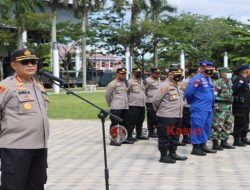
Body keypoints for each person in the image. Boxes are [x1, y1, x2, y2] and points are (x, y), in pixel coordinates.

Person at [0, 49, 49, 190]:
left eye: (33, 61)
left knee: (36, 186)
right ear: (14, 65)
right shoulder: (6, 86)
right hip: (15, 148)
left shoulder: (39, 86)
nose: (30, 65)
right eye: (25, 62)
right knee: (13, 186)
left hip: (40, 147)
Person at [152, 66, 188, 163]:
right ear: (170, 74)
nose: (179, 76)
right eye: (176, 74)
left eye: (180, 74)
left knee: (175, 136)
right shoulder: (164, 85)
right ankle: (163, 156)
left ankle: (173, 153)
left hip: (178, 115)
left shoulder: (177, 85)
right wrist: (160, 111)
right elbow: (155, 100)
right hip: (166, 116)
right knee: (165, 136)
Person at [185, 60, 217, 156]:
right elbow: (188, 93)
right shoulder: (197, 78)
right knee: (197, 126)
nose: (211, 70)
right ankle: (195, 148)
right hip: (199, 107)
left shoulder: (208, 79)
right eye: (208, 68)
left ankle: (203, 145)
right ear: (202, 68)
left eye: (212, 68)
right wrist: (194, 103)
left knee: (206, 127)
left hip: (208, 108)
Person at [105, 67, 134, 146]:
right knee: (114, 124)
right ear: (117, 74)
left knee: (125, 123)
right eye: (121, 74)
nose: (123, 75)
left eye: (124, 74)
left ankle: (123, 138)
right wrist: (110, 104)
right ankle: (113, 139)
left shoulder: (125, 83)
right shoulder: (113, 83)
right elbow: (107, 95)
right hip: (116, 107)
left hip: (125, 107)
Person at [211, 67, 235, 150]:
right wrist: (225, 98)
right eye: (228, 72)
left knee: (227, 124)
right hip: (220, 106)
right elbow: (215, 95)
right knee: (217, 125)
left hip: (228, 106)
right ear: (222, 74)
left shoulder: (229, 82)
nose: (229, 74)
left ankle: (224, 141)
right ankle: (215, 143)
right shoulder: (218, 83)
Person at [127, 68, 149, 141]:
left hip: (142, 104)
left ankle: (139, 135)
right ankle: (129, 135)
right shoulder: (130, 82)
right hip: (133, 104)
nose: (139, 74)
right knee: (132, 121)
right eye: (137, 72)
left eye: (140, 72)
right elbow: (126, 92)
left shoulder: (142, 81)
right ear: (133, 73)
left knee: (140, 120)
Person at [232, 64, 250, 146]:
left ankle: (243, 138)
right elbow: (234, 90)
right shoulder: (239, 80)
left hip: (245, 105)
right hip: (239, 105)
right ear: (246, 71)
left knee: (245, 122)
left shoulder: (245, 79)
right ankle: (237, 140)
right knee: (239, 122)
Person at [179, 68, 198, 145]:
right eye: (195, 73)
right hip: (186, 104)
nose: (196, 74)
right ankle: (185, 137)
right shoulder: (185, 81)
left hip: (194, 105)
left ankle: (191, 137)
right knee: (186, 122)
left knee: (192, 122)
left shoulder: (197, 81)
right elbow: (183, 92)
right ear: (191, 73)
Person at [145, 68, 161, 138]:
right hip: (150, 101)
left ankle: (158, 131)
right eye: (156, 73)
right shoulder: (147, 80)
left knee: (158, 117)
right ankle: (151, 132)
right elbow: (144, 90)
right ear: (152, 73)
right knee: (152, 118)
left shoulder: (159, 79)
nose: (158, 75)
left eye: (159, 73)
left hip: (158, 101)